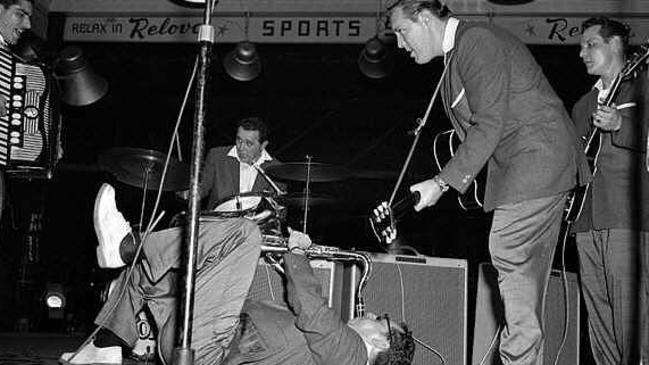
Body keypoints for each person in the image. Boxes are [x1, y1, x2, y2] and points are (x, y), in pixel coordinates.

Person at [387, 1, 590, 364]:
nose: (401, 45)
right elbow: (479, 130)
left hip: (535, 161)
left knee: (508, 251)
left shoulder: (476, 40)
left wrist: (441, 182)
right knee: (523, 291)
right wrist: (432, 185)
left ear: (426, 18)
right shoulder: (455, 59)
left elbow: (489, 124)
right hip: (531, 168)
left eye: (402, 31)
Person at [60, 183, 415, 365]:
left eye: (379, 319)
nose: (369, 314)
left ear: (382, 342)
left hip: (208, 349)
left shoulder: (353, 356)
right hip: (196, 344)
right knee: (162, 274)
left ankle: (125, 246)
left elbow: (312, 308)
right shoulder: (334, 354)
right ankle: (106, 345)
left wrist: (296, 254)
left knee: (244, 233)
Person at [572, 16, 649, 365]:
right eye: (581, 46)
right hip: (585, 223)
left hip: (625, 218)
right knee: (598, 318)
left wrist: (622, 124)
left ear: (616, 43)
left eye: (591, 44)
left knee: (632, 315)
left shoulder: (642, 88)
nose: (582, 53)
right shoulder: (581, 106)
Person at [199, 116, 284, 211]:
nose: (241, 147)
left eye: (249, 143)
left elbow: (277, 209)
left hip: (256, 223)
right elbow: (202, 187)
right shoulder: (217, 157)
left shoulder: (277, 169)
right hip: (219, 221)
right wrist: (188, 191)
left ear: (263, 145)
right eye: (239, 140)